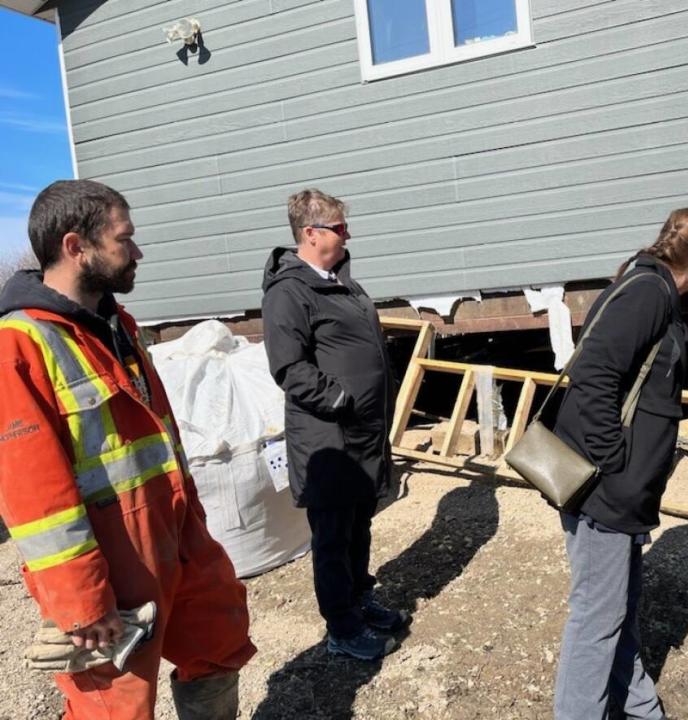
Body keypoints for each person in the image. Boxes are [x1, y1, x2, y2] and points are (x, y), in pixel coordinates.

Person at [0, 180, 256, 719]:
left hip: (175, 534)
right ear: (76, 246)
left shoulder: (116, 325)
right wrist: (80, 602)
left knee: (218, 643)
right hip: (107, 561)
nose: (136, 252)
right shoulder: (19, 344)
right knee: (116, 707)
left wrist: (194, 530)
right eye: (124, 239)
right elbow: (33, 498)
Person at [552, 207, 688, 720]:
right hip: (605, 488)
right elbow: (592, 375)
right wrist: (617, 465)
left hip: (618, 488)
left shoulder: (649, 285)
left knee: (616, 610)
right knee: (597, 619)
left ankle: (640, 707)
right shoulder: (649, 292)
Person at [261, 189, 408, 661]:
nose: (349, 235)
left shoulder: (344, 282)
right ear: (311, 233)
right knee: (332, 536)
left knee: (359, 525)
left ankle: (360, 600)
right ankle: (341, 627)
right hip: (329, 437)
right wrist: (342, 398)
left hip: (363, 433)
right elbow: (289, 368)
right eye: (340, 228)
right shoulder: (289, 292)